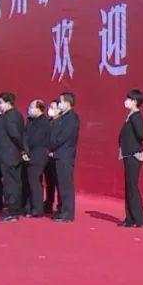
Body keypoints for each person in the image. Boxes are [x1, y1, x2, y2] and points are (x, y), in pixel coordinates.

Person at [47, 92, 79, 222]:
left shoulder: (72, 118)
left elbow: (63, 137)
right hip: (58, 155)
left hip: (65, 156)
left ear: (67, 103)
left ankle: (67, 213)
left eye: (60, 102)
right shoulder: (64, 117)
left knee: (66, 186)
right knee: (60, 184)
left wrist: (51, 145)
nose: (59, 104)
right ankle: (61, 209)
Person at [118, 89, 143, 228]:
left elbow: (141, 134)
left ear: (135, 101)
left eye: (128, 99)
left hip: (134, 155)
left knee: (132, 187)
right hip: (128, 154)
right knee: (129, 186)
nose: (126, 101)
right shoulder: (130, 116)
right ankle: (130, 218)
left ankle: (139, 219)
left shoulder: (136, 116)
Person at [0, 92, 25, 222]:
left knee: (10, 184)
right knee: (14, 182)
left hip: (9, 154)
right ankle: (14, 209)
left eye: (0, 103)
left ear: (7, 103)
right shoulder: (17, 115)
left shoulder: (9, 116)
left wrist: (22, 148)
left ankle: (12, 211)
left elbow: (15, 134)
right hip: (12, 154)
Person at [22, 100, 50, 218]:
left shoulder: (44, 122)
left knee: (35, 183)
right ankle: (28, 207)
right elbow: (25, 135)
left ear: (39, 109)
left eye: (32, 107)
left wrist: (28, 150)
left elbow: (37, 139)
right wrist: (24, 151)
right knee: (28, 182)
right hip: (27, 154)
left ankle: (37, 209)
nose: (29, 109)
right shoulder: (29, 120)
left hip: (38, 155)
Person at [43, 101, 61, 215]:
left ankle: (60, 206)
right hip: (46, 156)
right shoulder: (48, 122)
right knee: (49, 182)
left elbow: (59, 140)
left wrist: (53, 150)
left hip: (56, 156)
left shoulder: (61, 123)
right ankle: (48, 203)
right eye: (50, 107)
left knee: (58, 183)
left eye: (53, 107)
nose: (50, 109)